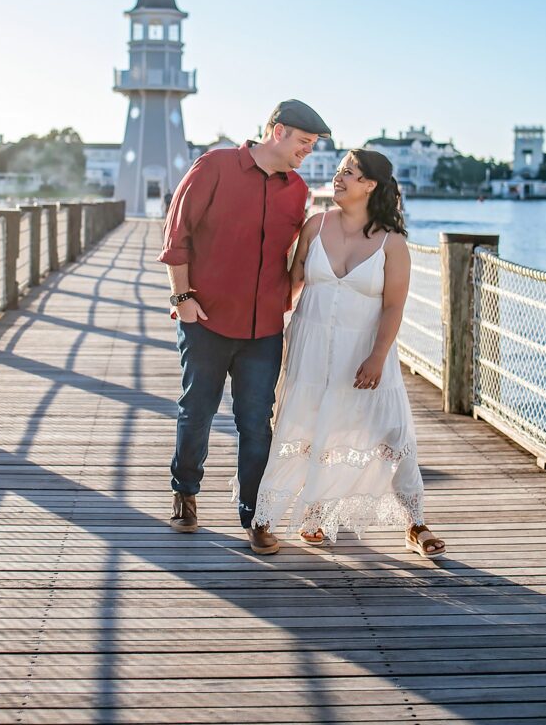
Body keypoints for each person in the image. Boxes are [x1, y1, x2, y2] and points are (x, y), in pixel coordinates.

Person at [253, 149, 446, 558]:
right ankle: (277, 518)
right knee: (304, 426)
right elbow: (289, 286)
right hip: (310, 350)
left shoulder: (393, 244)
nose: (339, 178)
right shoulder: (315, 225)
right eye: (339, 171)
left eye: (349, 173)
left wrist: (378, 356)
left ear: (370, 185)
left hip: (365, 353)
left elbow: (394, 305)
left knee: (392, 432)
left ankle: (415, 523)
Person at [159, 99, 331, 554]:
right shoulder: (214, 165)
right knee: (197, 410)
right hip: (207, 319)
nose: (307, 153)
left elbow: (295, 256)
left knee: (257, 423)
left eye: (312, 147)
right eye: (303, 143)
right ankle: (186, 494)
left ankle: (257, 516)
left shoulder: (298, 191)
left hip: (263, 329)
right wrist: (182, 298)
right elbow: (177, 236)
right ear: (277, 131)